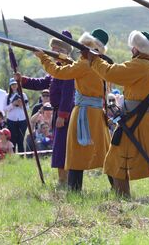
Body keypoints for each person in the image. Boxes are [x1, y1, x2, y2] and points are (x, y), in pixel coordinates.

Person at [87, 30, 149, 198]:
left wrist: (94, 60)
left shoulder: (141, 65)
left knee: (116, 158)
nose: (132, 50)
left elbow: (111, 73)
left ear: (139, 49)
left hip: (136, 121)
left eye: (134, 47)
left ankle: (121, 198)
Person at [33, 29, 112, 191]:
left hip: (84, 112)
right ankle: (117, 187)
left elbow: (58, 72)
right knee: (105, 151)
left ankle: (74, 189)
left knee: (76, 153)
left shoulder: (85, 64)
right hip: (97, 113)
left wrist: (43, 57)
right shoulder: (101, 63)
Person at [17, 30, 76, 187]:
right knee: (59, 149)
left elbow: (68, 95)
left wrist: (62, 116)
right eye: (54, 49)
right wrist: (22, 80)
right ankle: (62, 180)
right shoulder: (56, 68)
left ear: (65, 51)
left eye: (59, 49)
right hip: (59, 113)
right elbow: (42, 83)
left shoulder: (69, 67)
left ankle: (66, 181)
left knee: (63, 149)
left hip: (66, 114)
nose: (55, 52)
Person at [5, 78, 29, 153]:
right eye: (12, 84)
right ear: (10, 86)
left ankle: (21, 157)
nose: (14, 86)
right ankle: (13, 156)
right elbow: (5, 108)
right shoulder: (7, 96)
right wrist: (13, 104)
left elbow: (27, 107)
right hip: (11, 120)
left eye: (15, 84)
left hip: (22, 120)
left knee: (21, 139)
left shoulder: (23, 95)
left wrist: (21, 104)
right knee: (13, 139)